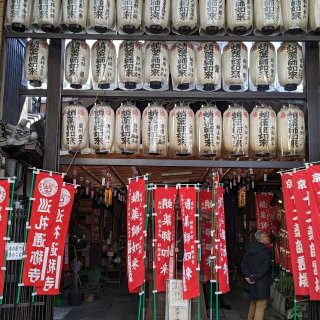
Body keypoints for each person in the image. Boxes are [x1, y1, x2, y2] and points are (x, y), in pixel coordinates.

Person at [241, 230, 272, 320]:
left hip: (251, 282)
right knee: (261, 306)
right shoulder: (266, 251)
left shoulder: (249, 249)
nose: (268, 238)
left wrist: (248, 276)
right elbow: (265, 268)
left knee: (253, 303)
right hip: (261, 282)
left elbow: (243, 264)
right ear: (262, 238)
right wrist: (254, 277)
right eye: (266, 236)